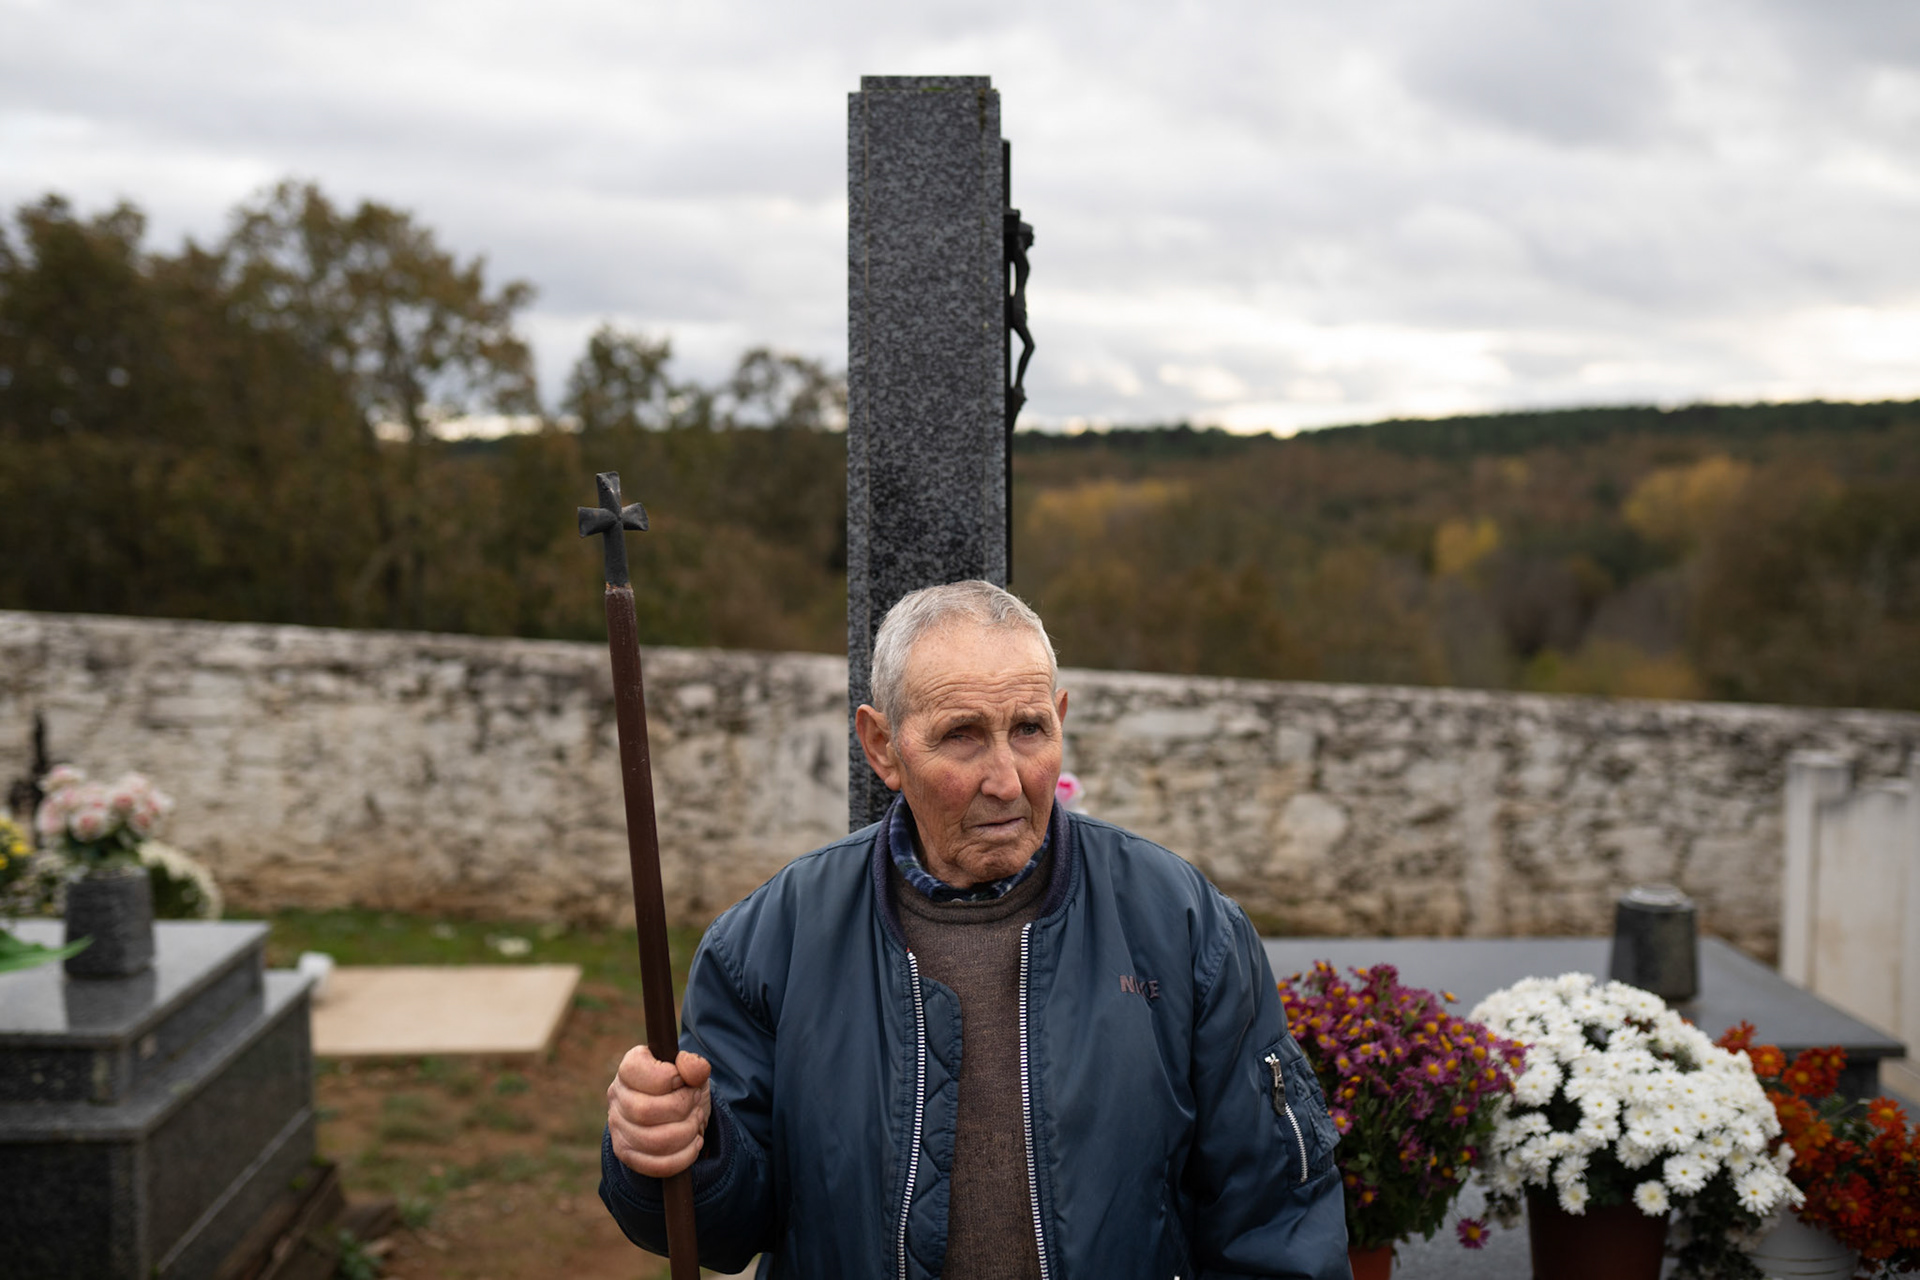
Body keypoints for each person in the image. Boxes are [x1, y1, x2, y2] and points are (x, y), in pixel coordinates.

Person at [601, 581, 1347, 1278]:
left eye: (1029, 729)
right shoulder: (772, 940)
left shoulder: (1182, 924)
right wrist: (679, 1149)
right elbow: (719, 1230)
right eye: (961, 735)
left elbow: (1275, 1213)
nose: (1007, 778)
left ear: (1061, 716)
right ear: (883, 747)